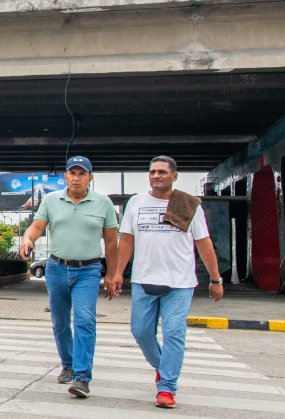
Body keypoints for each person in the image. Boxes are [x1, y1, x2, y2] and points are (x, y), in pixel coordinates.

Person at [105, 155, 223, 410]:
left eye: (161, 172)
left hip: (179, 283)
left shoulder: (188, 204)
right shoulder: (136, 202)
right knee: (140, 332)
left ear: (174, 176)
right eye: (152, 172)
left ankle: (167, 387)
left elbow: (203, 243)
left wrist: (216, 279)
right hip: (143, 280)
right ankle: (164, 366)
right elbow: (127, 240)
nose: (156, 176)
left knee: (173, 333)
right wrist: (117, 273)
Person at [19, 155, 118, 399]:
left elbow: (111, 241)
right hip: (56, 269)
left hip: (88, 270)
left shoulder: (103, 203)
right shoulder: (51, 200)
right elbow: (37, 227)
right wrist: (27, 239)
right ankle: (68, 364)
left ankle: (82, 377)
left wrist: (113, 274)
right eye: (72, 173)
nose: (76, 178)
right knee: (60, 322)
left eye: (81, 174)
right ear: (65, 176)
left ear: (90, 178)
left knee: (84, 319)